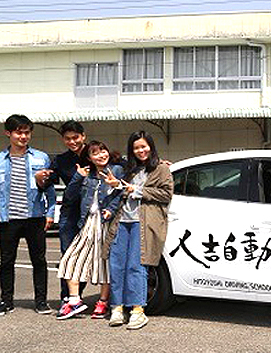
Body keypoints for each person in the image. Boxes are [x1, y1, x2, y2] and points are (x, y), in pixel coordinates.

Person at [0, 114, 56, 316]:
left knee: (39, 260)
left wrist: (50, 213)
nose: (23, 136)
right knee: (7, 261)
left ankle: (41, 301)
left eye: (27, 132)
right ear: (8, 133)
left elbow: (49, 189)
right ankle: (6, 301)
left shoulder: (41, 158)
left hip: (35, 217)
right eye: (19, 132)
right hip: (8, 218)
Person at [103, 131, 173, 330]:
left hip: (143, 223)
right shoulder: (130, 170)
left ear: (151, 146)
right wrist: (119, 186)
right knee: (116, 265)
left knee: (137, 266)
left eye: (144, 146)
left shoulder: (161, 169)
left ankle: (137, 311)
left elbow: (166, 194)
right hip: (121, 221)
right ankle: (116, 308)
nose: (141, 151)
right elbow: (123, 188)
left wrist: (138, 190)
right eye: (136, 148)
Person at [56, 141, 123, 320]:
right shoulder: (87, 174)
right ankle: (75, 300)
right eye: (95, 153)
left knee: (104, 264)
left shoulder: (116, 170)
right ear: (89, 158)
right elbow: (69, 197)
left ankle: (102, 302)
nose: (101, 155)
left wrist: (112, 206)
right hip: (87, 223)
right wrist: (77, 177)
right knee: (69, 260)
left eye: (103, 150)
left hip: (106, 223)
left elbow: (123, 193)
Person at [35, 120, 89, 310]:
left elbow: (122, 164)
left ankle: (104, 300)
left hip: (94, 212)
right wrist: (40, 179)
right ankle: (68, 298)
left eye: (76, 137)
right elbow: (46, 183)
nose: (72, 141)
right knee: (68, 256)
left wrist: (157, 164)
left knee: (95, 256)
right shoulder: (61, 160)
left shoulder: (95, 152)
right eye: (68, 139)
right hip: (70, 213)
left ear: (83, 136)